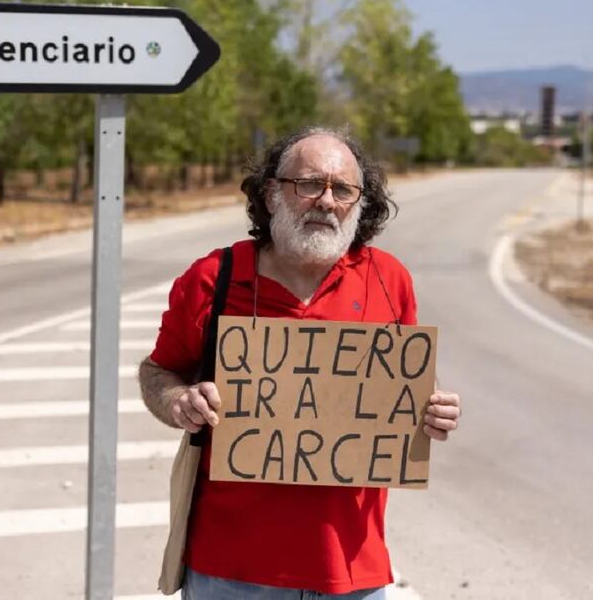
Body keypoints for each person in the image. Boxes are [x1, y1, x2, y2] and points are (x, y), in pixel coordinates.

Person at [138, 126, 462, 599]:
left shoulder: (388, 280)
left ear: (360, 202)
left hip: (353, 571)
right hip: (230, 573)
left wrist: (432, 409)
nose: (326, 201)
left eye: (344, 189)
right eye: (309, 184)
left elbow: (407, 382)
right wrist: (178, 401)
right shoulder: (214, 280)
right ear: (271, 194)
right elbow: (157, 372)